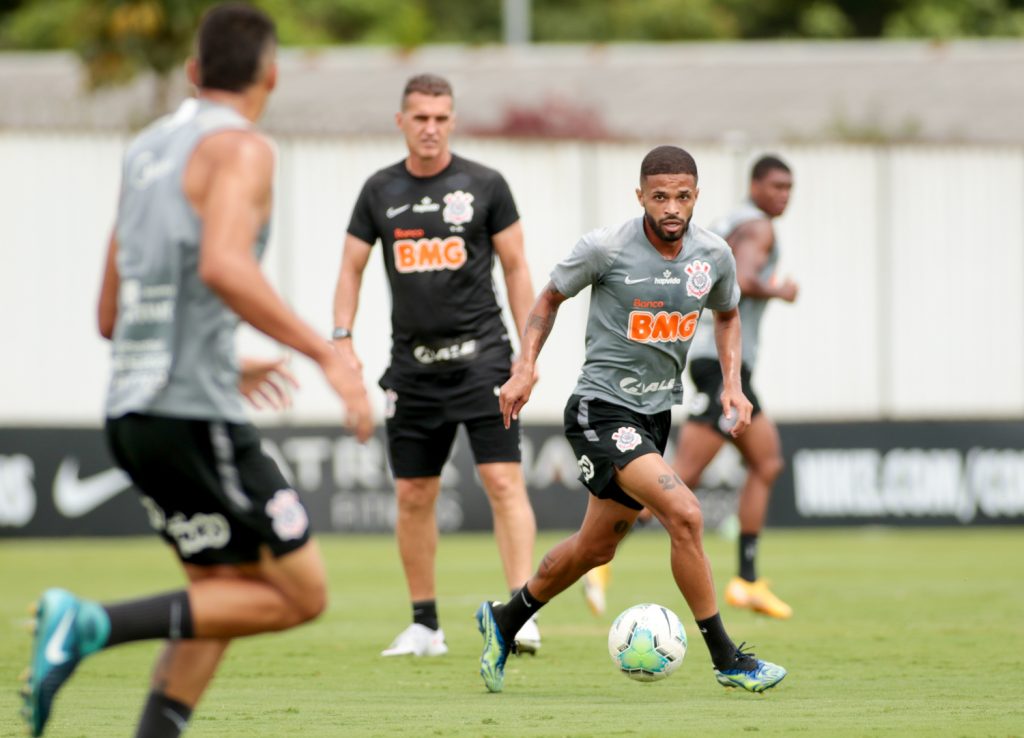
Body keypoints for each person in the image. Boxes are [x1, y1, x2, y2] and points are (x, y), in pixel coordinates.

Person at [20, 5, 372, 737]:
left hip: (131, 411)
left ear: (191, 72)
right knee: (299, 594)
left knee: (221, 591)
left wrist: (223, 360)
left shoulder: (146, 149)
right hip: (189, 414)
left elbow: (111, 316)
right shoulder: (243, 148)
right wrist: (327, 354)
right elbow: (223, 265)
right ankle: (87, 623)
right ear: (270, 75)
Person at [475, 145, 787, 694]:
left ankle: (505, 620)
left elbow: (729, 314)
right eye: (660, 196)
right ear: (639, 195)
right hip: (600, 409)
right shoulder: (606, 247)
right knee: (685, 514)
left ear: (697, 198)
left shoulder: (712, 255)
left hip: (654, 415)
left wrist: (734, 386)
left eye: (683, 197)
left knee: (594, 548)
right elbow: (547, 300)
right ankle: (727, 658)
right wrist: (524, 367)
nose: (671, 207)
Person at [332, 74, 540, 657]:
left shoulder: (485, 184)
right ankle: (425, 625)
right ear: (401, 121)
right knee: (414, 495)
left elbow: (518, 267)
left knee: (502, 480)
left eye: (441, 118)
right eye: (420, 117)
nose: (431, 128)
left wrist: (529, 353)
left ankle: (520, 612)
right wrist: (342, 337)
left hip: (484, 361)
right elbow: (351, 268)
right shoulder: (379, 190)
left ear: (453, 121)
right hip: (412, 370)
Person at [673, 154, 797, 620]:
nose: (783, 196)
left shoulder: (728, 221)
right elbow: (743, 281)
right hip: (722, 363)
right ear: (756, 186)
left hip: (715, 360)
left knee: (766, 462)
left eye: (789, 188)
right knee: (678, 479)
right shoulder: (759, 226)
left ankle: (746, 580)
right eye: (776, 186)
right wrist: (779, 290)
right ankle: (596, 557)